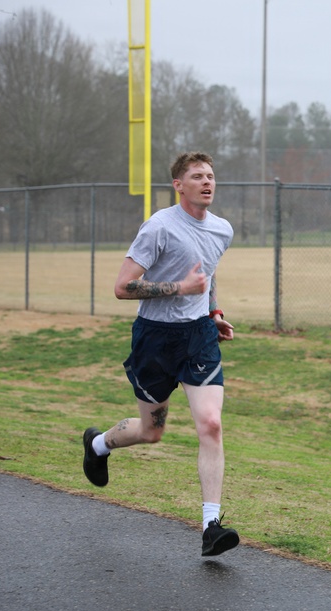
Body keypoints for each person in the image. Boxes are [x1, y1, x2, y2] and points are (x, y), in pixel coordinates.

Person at [81, 151, 239, 557]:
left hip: (198, 337)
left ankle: (211, 526)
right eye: (198, 176)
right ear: (179, 185)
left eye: (211, 176)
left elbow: (209, 274)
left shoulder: (222, 229)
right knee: (152, 432)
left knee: (211, 424)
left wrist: (213, 312)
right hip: (155, 339)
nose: (208, 182)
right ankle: (99, 445)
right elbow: (122, 287)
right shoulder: (159, 227)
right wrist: (179, 289)